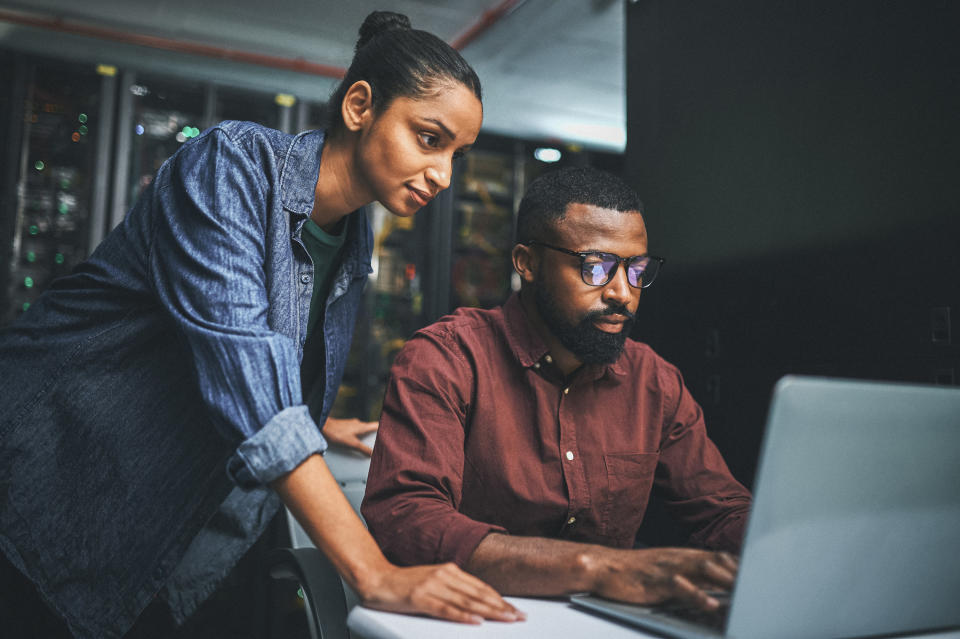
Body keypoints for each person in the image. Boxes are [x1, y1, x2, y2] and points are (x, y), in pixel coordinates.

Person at [0, 11, 523, 639]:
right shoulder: (233, 165)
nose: (443, 174)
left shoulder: (355, 239)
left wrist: (317, 420)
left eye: (457, 155)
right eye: (429, 138)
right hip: (48, 473)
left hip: (160, 522)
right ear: (360, 106)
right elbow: (241, 364)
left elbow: (253, 360)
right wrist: (374, 572)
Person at [362, 166, 752, 612]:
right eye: (597, 268)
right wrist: (597, 567)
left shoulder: (654, 382)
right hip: (472, 621)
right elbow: (407, 522)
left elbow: (722, 513)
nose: (623, 293)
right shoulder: (448, 358)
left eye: (637, 269)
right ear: (527, 263)